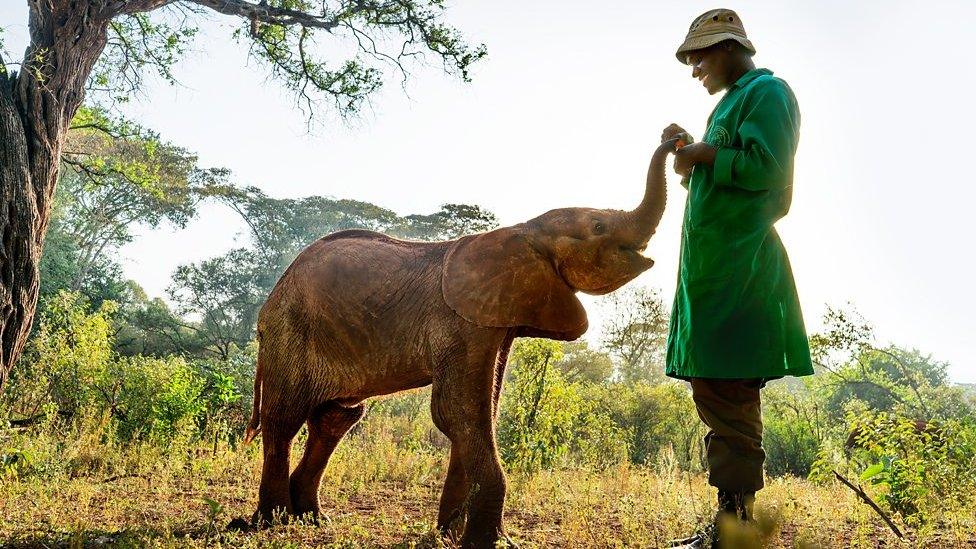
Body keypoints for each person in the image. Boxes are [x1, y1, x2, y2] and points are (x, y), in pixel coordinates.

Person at [661, 8, 814, 548]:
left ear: (728, 47)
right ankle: (732, 523)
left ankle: (736, 530)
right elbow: (725, 189)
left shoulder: (768, 93)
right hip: (714, 275)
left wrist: (708, 155)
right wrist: (693, 161)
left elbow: (769, 172)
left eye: (699, 56)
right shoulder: (729, 104)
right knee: (718, 391)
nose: (694, 68)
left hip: (741, 274)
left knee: (729, 395)